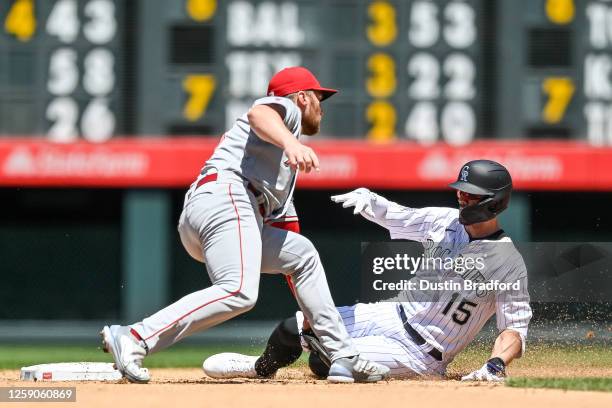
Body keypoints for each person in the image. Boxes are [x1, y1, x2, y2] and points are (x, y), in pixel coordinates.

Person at [100, 66, 389, 384]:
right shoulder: (287, 112)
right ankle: (134, 337)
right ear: (304, 98)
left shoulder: (278, 174)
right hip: (228, 196)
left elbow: (290, 243)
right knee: (239, 290)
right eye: (321, 99)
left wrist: (312, 315)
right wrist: (292, 144)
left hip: (219, 210)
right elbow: (260, 113)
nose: (322, 107)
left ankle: (341, 355)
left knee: (302, 254)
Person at [202, 160, 533, 382]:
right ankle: (258, 368)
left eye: (469, 193)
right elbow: (398, 216)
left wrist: (496, 363)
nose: (461, 197)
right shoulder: (444, 221)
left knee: (336, 364)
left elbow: (513, 330)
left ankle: (326, 356)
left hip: (421, 353)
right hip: (389, 314)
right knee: (295, 325)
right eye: (459, 190)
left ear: (493, 201)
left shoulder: (507, 263)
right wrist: (370, 200)